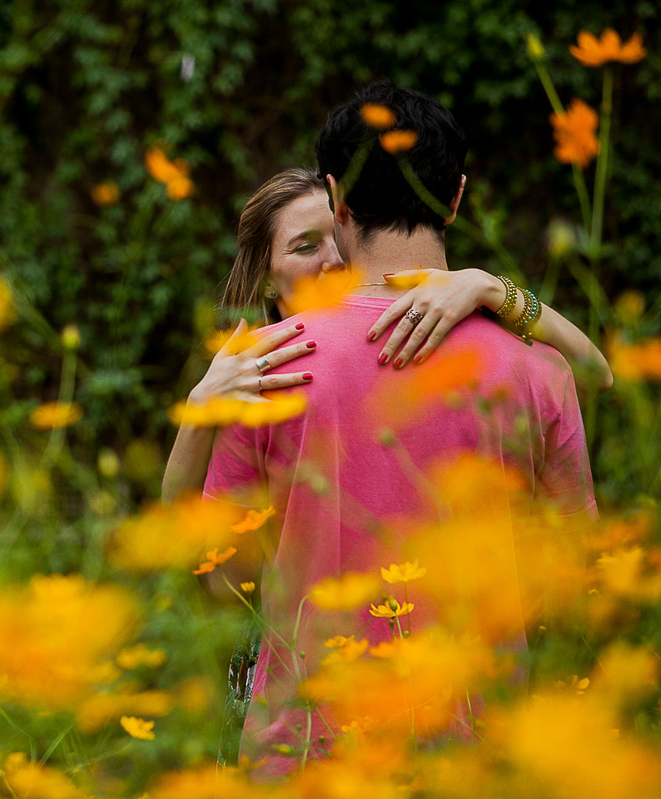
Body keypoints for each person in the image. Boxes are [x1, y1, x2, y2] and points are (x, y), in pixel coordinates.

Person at [197, 81, 600, 776]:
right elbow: (577, 575)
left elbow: (221, 579)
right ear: (457, 196)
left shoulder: (267, 363)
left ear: (337, 198)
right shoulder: (539, 369)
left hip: (306, 760)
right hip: (482, 759)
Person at [162, 168, 611, 502]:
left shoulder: (424, 322)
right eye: (305, 247)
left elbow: (593, 375)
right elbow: (191, 537)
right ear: (264, 276)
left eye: (338, 237)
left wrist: (496, 288)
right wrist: (201, 408)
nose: (334, 259)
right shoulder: (248, 376)